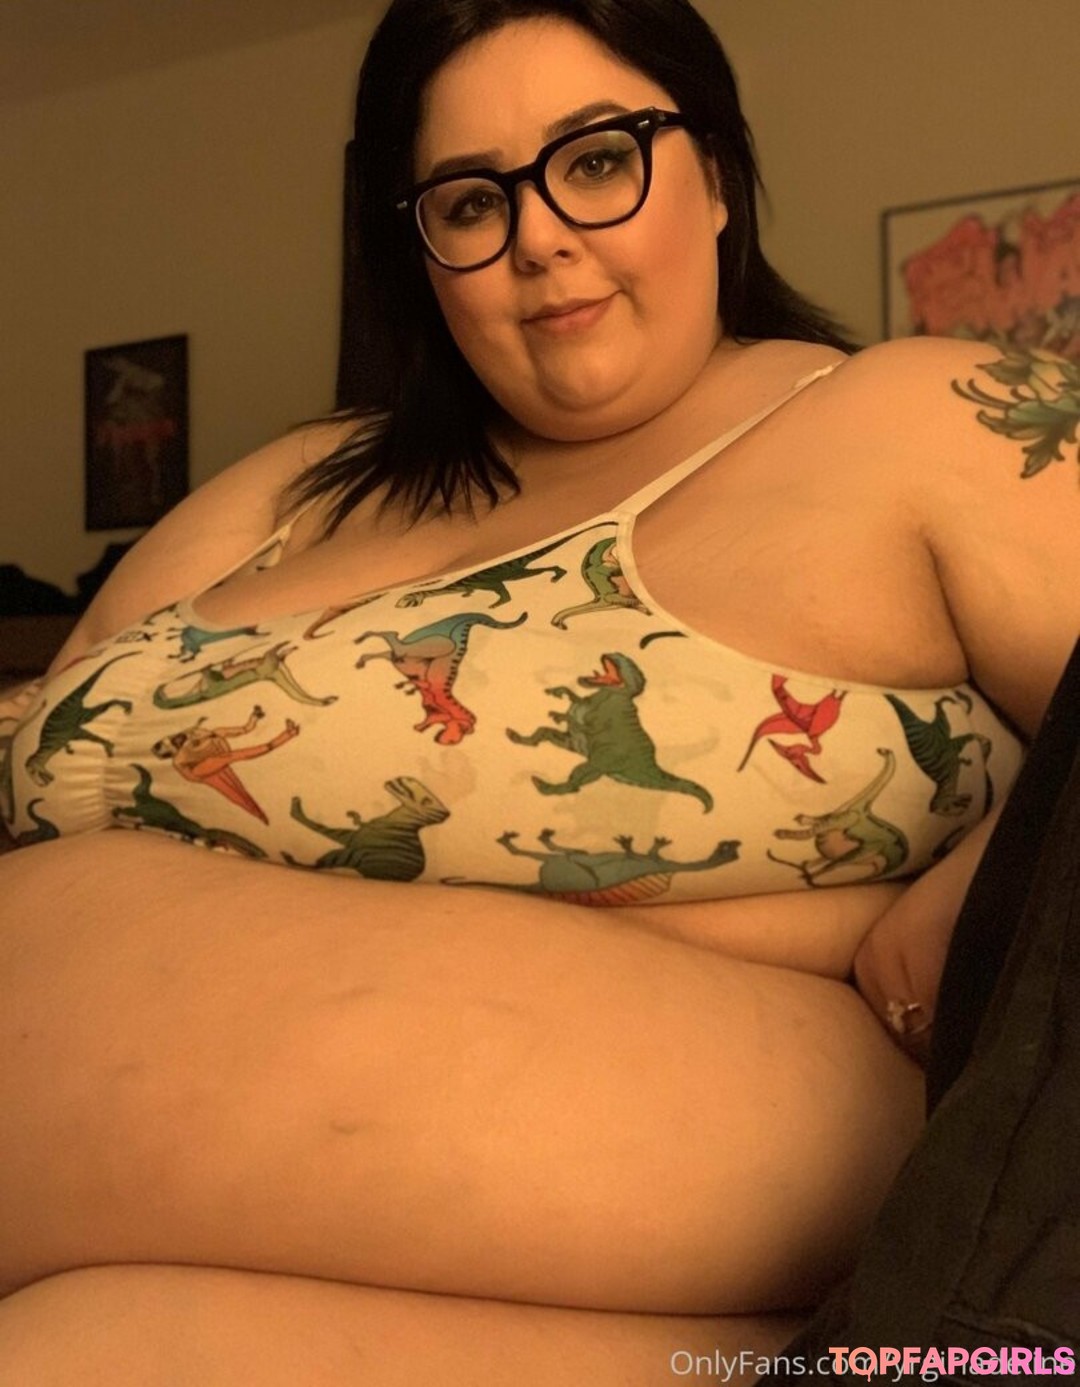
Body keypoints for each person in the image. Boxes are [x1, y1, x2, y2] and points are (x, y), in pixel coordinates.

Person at [0, 0, 1076, 1380]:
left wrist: (999, 871)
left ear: (718, 179)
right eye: (470, 200)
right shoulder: (303, 479)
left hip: (741, 1213)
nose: (540, 236)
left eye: (598, 160)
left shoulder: (924, 419)